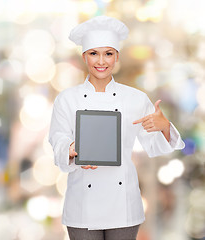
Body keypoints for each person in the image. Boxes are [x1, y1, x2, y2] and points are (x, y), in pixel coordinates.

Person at [49, 16, 185, 240]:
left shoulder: (135, 99)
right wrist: (72, 149)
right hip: (83, 204)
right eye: (93, 53)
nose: (101, 61)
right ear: (84, 56)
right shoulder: (67, 99)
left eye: (108, 53)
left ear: (117, 57)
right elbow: (57, 139)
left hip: (123, 205)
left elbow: (155, 147)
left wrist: (165, 126)